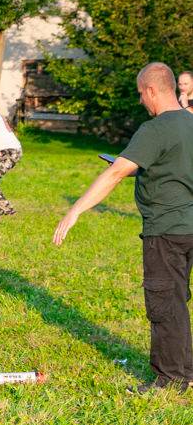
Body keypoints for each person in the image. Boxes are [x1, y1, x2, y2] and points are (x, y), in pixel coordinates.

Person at [54, 63, 193, 394]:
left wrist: (75, 210)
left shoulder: (155, 128)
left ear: (150, 91)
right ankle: (186, 371)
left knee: (164, 305)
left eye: (140, 94)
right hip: (189, 226)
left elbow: (114, 174)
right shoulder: (190, 122)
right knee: (178, 301)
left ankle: (170, 379)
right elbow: (171, 164)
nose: (141, 101)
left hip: (165, 231)